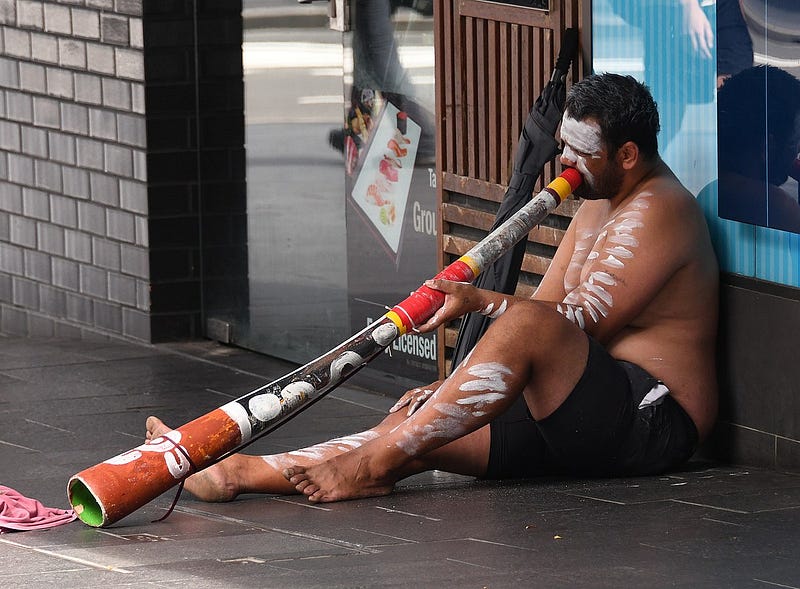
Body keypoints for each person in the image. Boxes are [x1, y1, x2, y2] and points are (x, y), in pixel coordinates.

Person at [146, 73, 719, 504]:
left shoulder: (663, 210)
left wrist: (481, 301)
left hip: (651, 423)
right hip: (584, 406)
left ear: (627, 155)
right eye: (563, 146)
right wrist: (451, 390)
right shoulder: (600, 197)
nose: (563, 163)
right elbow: (546, 310)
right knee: (415, 426)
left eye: (579, 152)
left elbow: (570, 326)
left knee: (452, 396)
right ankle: (238, 471)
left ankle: (369, 468)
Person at [716, 65, 800, 233]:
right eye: (794, 142)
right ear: (767, 146)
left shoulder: (715, 185)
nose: (797, 152)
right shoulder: (773, 207)